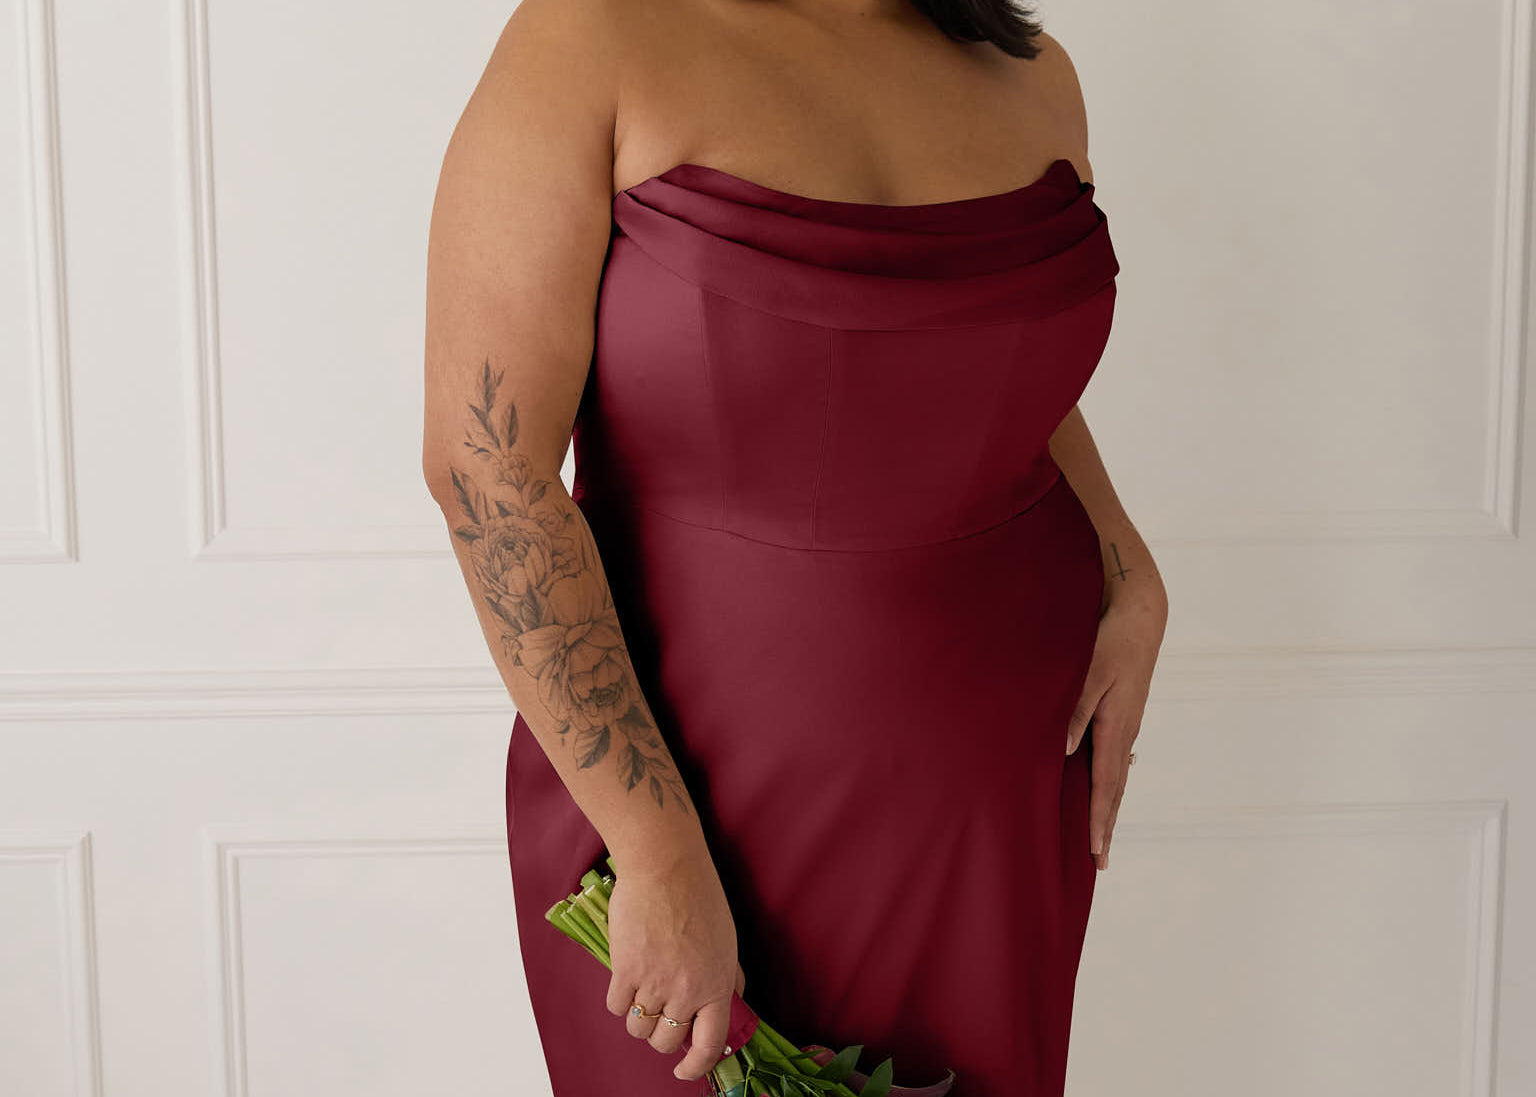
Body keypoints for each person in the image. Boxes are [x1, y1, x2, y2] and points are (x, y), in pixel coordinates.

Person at [421, 0, 1167, 1092]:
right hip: (688, 782)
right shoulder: (591, 39)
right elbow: (487, 472)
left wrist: (1128, 564)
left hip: (993, 777)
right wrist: (656, 848)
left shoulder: (1028, 70)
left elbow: (979, 362)